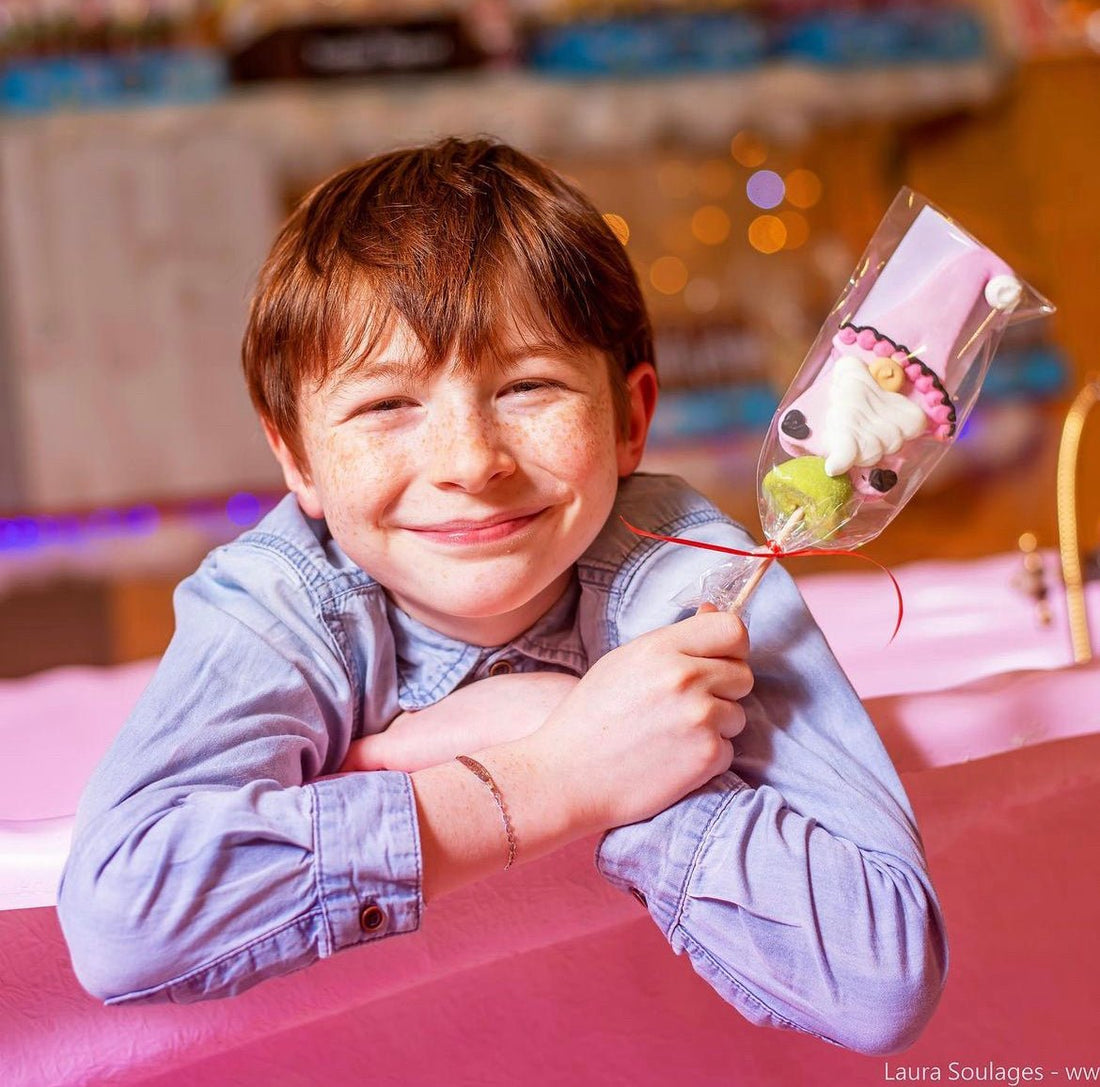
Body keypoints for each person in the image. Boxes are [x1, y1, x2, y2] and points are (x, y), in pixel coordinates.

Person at [57, 137, 946, 1054]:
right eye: (385, 406)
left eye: (528, 386)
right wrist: (554, 772)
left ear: (631, 419)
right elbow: (123, 918)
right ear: (295, 458)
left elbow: (881, 978)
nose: (471, 463)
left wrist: (571, 746)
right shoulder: (288, 594)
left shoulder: (691, 575)